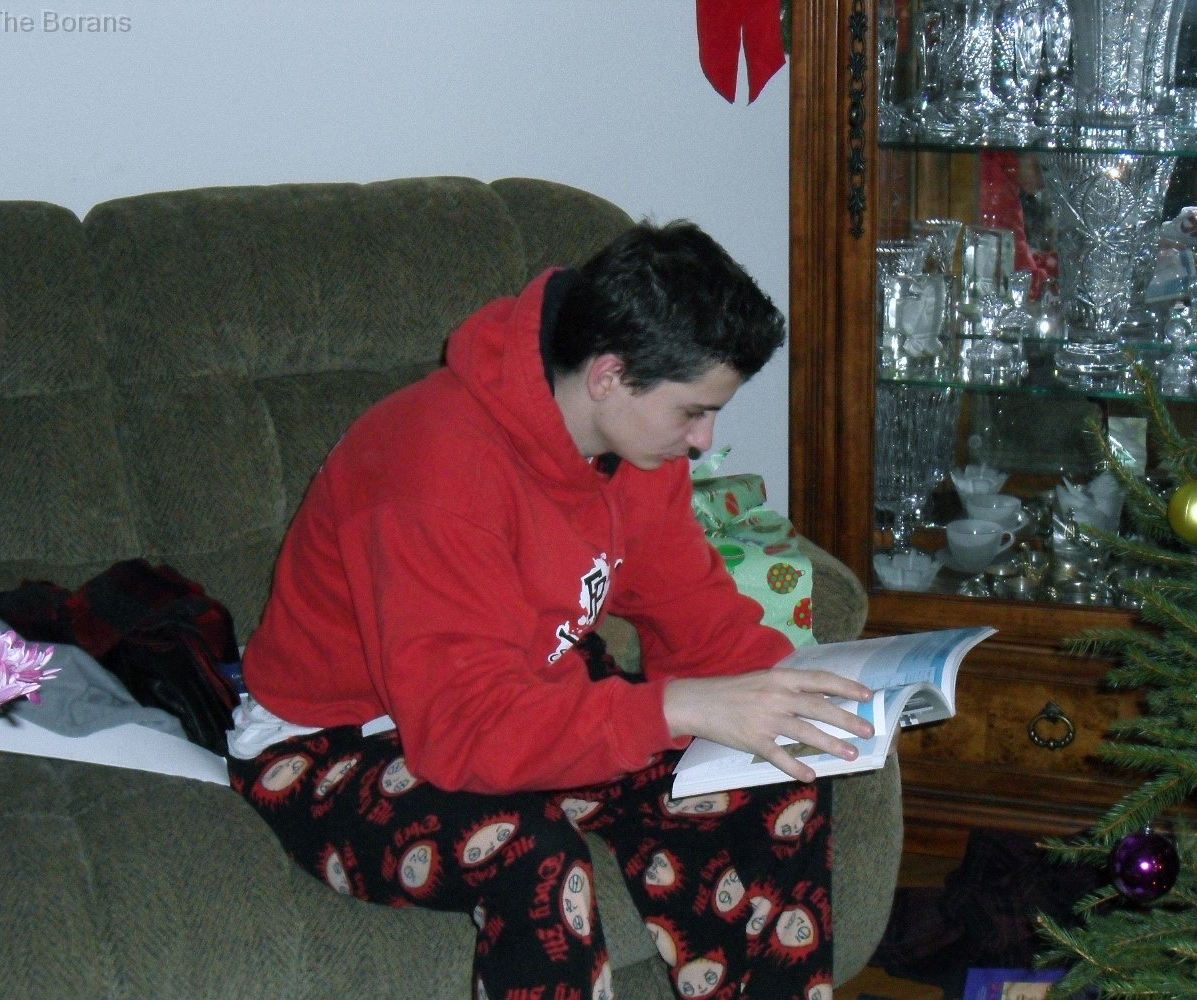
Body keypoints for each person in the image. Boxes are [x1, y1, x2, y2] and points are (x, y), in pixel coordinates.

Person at [226, 219, 875, 1000]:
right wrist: (674, 707)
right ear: (608, 375)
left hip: (520, 695)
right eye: (691, 411)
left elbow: (695, 616)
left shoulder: (636, 452)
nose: (703, 440)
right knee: (533, 859)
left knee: (778, 773)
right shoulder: (433, 469)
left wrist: (815, 695)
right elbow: (461, 736)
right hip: (332, 745)